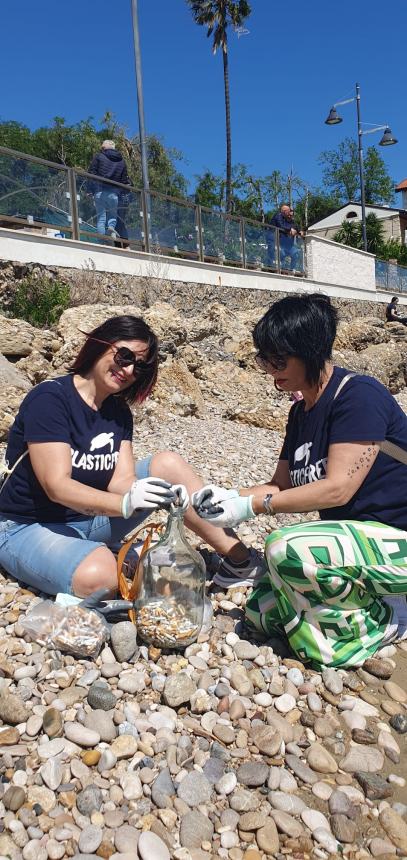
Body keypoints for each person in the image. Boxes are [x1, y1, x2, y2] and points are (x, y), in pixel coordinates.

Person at [192, 293, 407, 668]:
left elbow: (338, 488)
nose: (270, 369)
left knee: (285, 550)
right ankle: (368, 605)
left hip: (396, 541)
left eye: (279, 359)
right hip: (357, 544)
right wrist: (226, 497)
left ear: (311, 351)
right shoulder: (300, 413)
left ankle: (392, 618)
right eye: (264, 358)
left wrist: (252, 507)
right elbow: (281, 484)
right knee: (260, 612)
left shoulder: (357, 395)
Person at [0, 315, 262, 598]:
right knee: (101, 578)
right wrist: (126, 504)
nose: (127, 370)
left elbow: (121, 480)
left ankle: (241, 562)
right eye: (124, 356)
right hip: (27, 525)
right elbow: (57, 486)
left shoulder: (118, 412)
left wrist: (158, 493)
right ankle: (111, 558)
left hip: (88, 520)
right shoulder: (51, 399)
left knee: (168, 465)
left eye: (140, 367)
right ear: (101, 343)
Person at [87, 141, 130, 240]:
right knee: (112, 216)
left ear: (104, 148)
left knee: (101, 218)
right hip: (114, 194)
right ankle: (111, 230)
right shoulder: (122, 161)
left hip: (100, 191)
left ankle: (102, 240)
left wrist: (89, 190)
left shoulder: (99, 156)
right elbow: (124, 180)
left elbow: (91, 173)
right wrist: (121, 193)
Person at [269, 204, 305, 272]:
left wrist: (300, 231)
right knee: (280, 253)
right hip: (276, 241)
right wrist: (290, 230)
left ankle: (292, 270)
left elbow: (296, 227)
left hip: (287, 244)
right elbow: (281, 226)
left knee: (296, 253)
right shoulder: (279, 216)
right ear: (284, 211)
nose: (290, 215)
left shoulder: (290, 220)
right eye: (288, 213)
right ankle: (275, 269)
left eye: (291, 215)